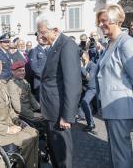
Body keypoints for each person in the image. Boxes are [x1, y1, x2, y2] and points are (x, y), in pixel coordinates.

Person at [36, 12, 82, 168]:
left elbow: (73, 83)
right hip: (51, 110)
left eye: (43, 32)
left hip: (58, 113)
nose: (40, 36)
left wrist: (67, 116)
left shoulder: (67, 45)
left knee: (62, 157)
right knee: (55, 153)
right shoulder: (54, 45)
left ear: (55, 30)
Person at [96, 4, 133, 168]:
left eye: (104, 21)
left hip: (121, 108)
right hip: (110, 108)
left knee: (121, 153)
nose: (100, 24)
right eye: (99, 21)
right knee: (114, 151)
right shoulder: (110, 43)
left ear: (116, 21)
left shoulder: (126, 43)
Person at [7, 61, 45, 131]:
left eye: (23, 70)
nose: (22, 73)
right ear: (13, 72)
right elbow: (17, 108)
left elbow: (31, 97)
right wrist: (32, 114)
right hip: (22, 114)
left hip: (29, 110)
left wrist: (39, 108)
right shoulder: (12, 85)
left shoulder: (24, 81)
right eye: (19, 71)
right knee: (44, 120)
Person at [29, 32, 48, 102]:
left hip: (51, 81)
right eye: (40, 38)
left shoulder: (51, 50)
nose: (43, 39)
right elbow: (34, 67)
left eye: (44, 37)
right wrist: (45, 76)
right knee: (42, 104)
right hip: (40, 81)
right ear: (37, 39)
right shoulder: (34, 51)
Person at [80, 51, 97, 131]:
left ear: (87, 58)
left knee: (85, 101)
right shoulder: (81, 65)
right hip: (84, 88)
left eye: (83, 58)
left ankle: (91, 124)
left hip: (92, 88)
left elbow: (89, 78)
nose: (81, 60)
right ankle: (82, 115)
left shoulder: (93, 66)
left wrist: (82, 67)